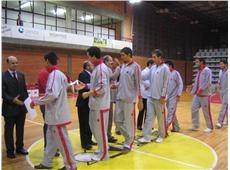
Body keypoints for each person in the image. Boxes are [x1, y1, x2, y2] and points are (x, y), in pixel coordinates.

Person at [31, 51, 76, 170]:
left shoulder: (55, 75)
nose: (44, 64)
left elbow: (52, 95)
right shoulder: (60, 74)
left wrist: (35, 101)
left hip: (57, 115)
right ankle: (47, 162)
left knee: (63, 141)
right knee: (51, 141)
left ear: (47, 60)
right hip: (54, 115)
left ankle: (71, 166)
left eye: (44, 61)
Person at [77, 46, 111, 161]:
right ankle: (101, 149)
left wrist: (88, 93)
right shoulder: (97, 68)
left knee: (100, 130)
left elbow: (102, 88)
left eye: (88, 56)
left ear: (93, 56)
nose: (88, 59)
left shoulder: (101, 68)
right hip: (95, 105)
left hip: (100, 106)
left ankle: (104, 154)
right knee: (94, 128)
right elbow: (97, 84)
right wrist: (86, 86)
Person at [138, 49, 170, 143]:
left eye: (154, 57)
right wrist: (137, 74)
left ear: (160, 57)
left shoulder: (165, 68)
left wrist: (163, 96)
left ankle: (161, 135)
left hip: (159, 98)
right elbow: (145, 77)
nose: (153, 58)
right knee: (149, 117)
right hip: (150, 97)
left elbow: (166, 83)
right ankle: (146, 137)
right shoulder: (153, 67)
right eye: (152, 57)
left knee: (160, 118)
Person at [115, 47, 143, 152]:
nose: (121, 57)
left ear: (129, 54)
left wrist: (140, 100)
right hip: (119, 98)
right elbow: (123, 82)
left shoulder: (136, 67)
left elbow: (139, 84)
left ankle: (129, 142)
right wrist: (116, 85)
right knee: (117, 121)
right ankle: (128, 138)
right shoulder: (123, 66)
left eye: (122, 55)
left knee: (129, 122)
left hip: (129, 100)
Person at [2, 56, 29, 159]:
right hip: (9, 108)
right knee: (9, 130)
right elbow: (3, 93)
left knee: (20, 129)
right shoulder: (2, 76)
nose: (15, 65)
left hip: (21, 108)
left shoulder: (21, 75)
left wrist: (27, 102)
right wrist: (13, 100)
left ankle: (19, 148)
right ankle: (10, 150)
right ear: (7, 63)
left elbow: (24, 90)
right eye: (13, 63)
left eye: (16, 63)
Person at [38, 68, 60, 157]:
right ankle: (48, 147)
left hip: (53, 103)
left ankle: (53, 147)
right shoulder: (44, 73)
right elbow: (49, 90)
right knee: (48, 125)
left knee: (53, 125)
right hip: (46, 103)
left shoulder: (53, 74)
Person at [76, 61, 96, 150]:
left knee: (89, 123)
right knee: (84, 124)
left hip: (89, 102)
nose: (93, 66)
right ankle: (84, 143)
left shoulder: (91, 74)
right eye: (91, 65)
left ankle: (89, 139)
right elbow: (83, 87)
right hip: (83, 103)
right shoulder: (83, 74)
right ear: (87, 67)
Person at [190, 58, 213, 133]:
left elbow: (207, 82)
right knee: (193, 108)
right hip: (197, 95)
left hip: (204, 95)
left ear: (202, 62)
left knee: (206, 111)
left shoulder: (207, 70)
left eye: (197, 62)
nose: (196, 63)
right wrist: (192, 86)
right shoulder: (199, 71)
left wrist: (201, 89)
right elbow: (198, 81)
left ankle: (210, 127)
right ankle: (195, 125)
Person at [103, 55, 120, 143]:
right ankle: (107, 136)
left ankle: (107, 135)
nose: (112, 62)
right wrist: (118, 68)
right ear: (105, 61)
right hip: (106, 98)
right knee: (108, 118)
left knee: (108, 118)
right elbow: (113, 77)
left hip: (107, 97)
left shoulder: (104, 69)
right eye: (110, 61)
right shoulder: (107, 69)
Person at [165, 60, 183, 132]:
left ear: (170, 66)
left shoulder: (176, 73)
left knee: (170, 112)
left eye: (166, 66)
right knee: (172, 112)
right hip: (167, 97)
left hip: (174, 97)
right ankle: (176, 127)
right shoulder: (166, 74)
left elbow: (180, 84)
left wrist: (178, 94)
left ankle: (165, 128)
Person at [137, 59, 154, 130]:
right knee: (142, 110)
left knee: (149, 111)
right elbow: (140, 80)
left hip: (149, 95)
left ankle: (147, 125)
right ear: (150, 64)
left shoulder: (152, 72)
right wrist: (147, 84)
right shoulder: (144, 72)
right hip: (144, 94)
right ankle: (139, 125)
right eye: (153, 64)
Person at [216, 59, 228, 128]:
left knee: (223, 106)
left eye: (222, 64)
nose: (220, 65)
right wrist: (218, 83)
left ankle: (219, 122)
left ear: (226, 64)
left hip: (227, 91)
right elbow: (220, 79)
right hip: (222, 91)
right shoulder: (220, 71)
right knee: (227, 107)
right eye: (220, 64)